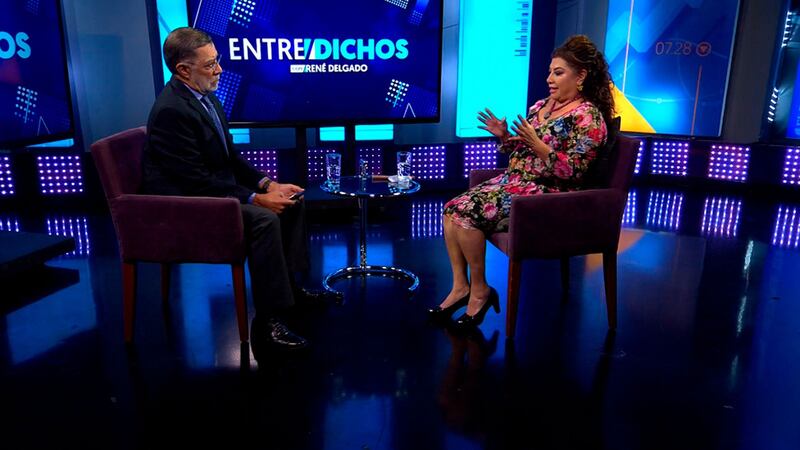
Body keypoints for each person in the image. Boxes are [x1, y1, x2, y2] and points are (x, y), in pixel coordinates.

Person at [141, 27, 325, 351]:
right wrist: (256, 199)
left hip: (213, 192)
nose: (220, 69)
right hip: (187, 206)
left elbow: (231, 158)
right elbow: (195, 182)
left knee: (291, 200)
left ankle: (291, 291)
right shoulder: (172, 110)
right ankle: (267, 321)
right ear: (183, 69)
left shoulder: (205, 97)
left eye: (217, 60)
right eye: (210, 64)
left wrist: (270, 185)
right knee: (264, 219)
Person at [429, 35, 615, 328]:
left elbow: (574, 172)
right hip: (515, 181)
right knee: (451, 208)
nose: (549, 79)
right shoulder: (542, 106)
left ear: (580, 77)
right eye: (550, 72)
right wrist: (504, 136)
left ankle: (480, 291)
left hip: (548, 194)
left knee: (465, 215)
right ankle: (460, 287)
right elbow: (520, 151)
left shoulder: (588, 118)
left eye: (558, 73)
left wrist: (539, 145)